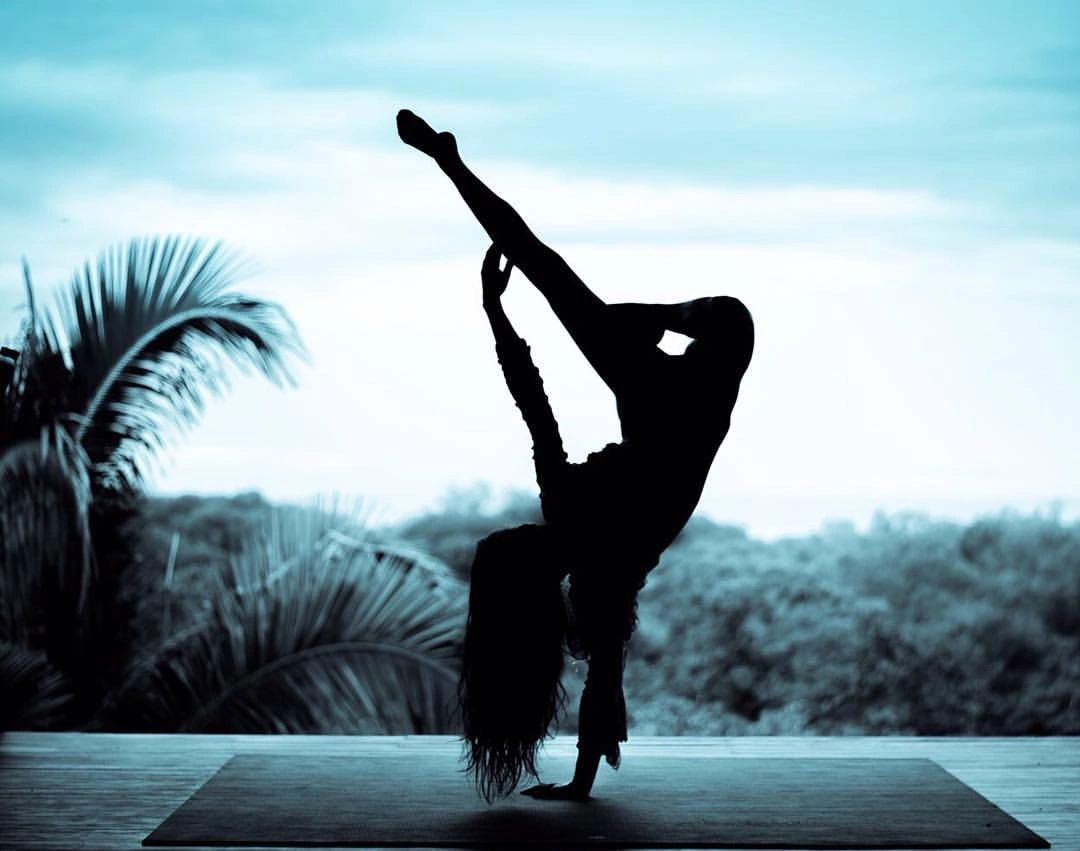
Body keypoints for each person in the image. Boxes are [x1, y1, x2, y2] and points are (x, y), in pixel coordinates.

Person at [397, 109, 754, 802]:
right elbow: (536, 397)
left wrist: (501, 312)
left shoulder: (583, 517)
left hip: (663, 396)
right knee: (547, 269)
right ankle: (448, 163)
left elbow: (536, 395)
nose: (519, 537)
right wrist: (499, 311)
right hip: (666, 398)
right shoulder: (591, 539)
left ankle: (448, 163)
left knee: (548, 269)